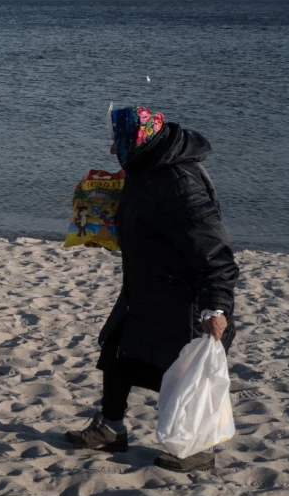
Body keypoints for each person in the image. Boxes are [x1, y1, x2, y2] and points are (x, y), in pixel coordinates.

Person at [65, 106, 238, 473]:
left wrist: (216, 307)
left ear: (138, 140)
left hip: (183, 298)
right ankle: (111, 430)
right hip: (145, 288)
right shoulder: (144, 169)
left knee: (184, 372)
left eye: (119, 142)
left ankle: (197, 449)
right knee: (116, 351)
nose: (113, 150)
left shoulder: (180, 182)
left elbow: (214, 251)